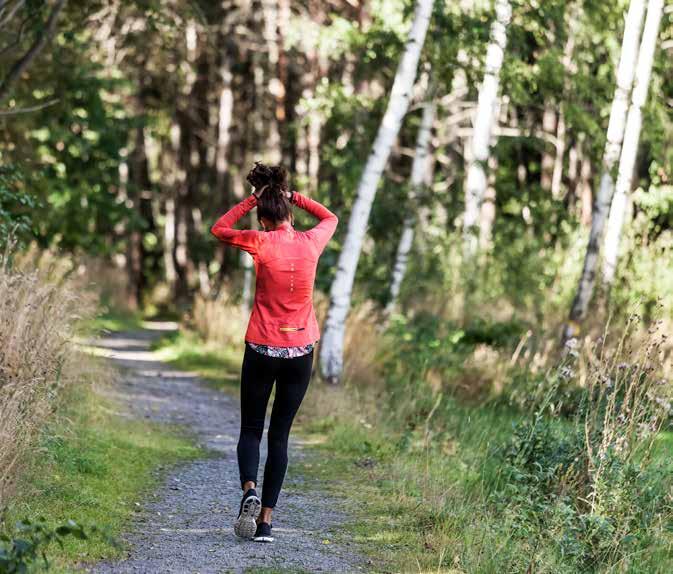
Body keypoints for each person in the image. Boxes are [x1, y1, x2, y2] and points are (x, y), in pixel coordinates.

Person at [210, 162, 338, 543]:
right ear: (288, 212)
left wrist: (253, 200)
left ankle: (249, 489)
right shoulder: (311, 242)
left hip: (262, 348)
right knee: (279, 437)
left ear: (264, 219)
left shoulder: (261, 241)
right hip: (300, 352)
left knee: (251, 428)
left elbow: (219, 229)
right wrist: (293, 195)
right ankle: (266, 522)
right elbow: (329, 216)